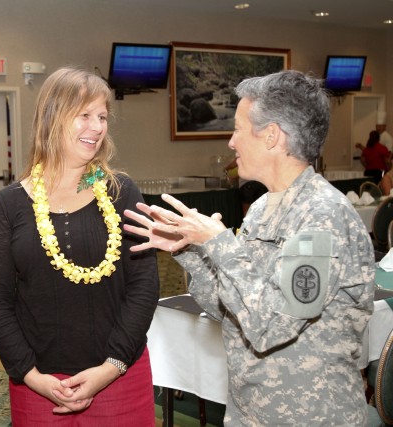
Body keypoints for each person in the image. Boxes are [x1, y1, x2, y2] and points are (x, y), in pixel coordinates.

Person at [123, 70, 374, 426]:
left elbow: (270, 326)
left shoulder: (322, 217)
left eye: (239, 128)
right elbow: (230, 310)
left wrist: (219, 242)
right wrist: (190, 252)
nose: (231, 142)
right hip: (250, 412)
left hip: (311, 417)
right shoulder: (262, 208)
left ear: (271, 136)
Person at [0, 67, 159, 426]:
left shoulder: (120, 191)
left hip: (117, 377)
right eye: (84, 116)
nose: (96, 127)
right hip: (39, 385)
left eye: (102, 117)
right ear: (52, 118)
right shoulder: (10, 204)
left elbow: (144, 285)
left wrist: (111, 368)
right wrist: (30, 376)